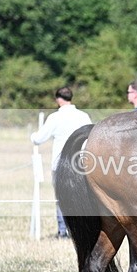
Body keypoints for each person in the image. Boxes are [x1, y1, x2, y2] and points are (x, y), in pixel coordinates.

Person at [31, 87, 92, 238]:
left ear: (58, 99)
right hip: (79, 163)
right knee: (80, 197)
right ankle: (80, 230)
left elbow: (39, 138)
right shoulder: (83, 116)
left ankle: (63, 230)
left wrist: (32, 136)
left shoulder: (55, 117)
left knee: (61, 198)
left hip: (60, 164)